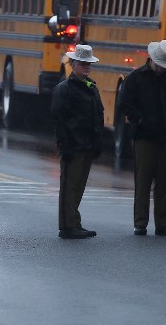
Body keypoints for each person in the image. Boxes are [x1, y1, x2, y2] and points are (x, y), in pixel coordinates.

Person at [119, 40, 166, 236]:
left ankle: (163, 223)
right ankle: (141, 223)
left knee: (164, 182)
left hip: (165, 135)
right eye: (161, 63)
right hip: (144, 136)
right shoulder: (136, 78)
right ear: (152, 59)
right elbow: (125, 104)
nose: (163, 68)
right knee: (143, 181)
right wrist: (140, 120)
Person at [51, 44, 105, 239]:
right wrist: (64, 147)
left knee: (78, 187)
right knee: (69, 186)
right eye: (83, 63)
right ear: (73, 64)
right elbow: (59, 120)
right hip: (73, 146)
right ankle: (67, 226)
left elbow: (97, 116)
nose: (87, 67)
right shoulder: (64, 90)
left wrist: (97, 142)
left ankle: (74, 222)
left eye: (89, 63)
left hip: (87, 146)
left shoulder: (91, 88)